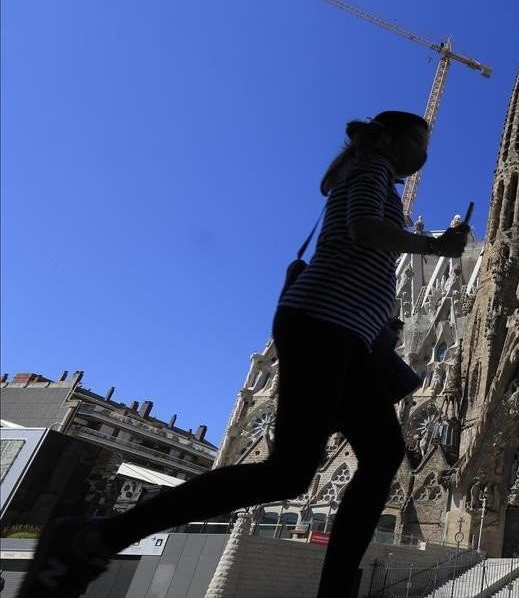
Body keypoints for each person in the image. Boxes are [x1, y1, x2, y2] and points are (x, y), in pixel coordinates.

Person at [20, 110, 470, 598]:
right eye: (421, 140)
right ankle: (94, 536)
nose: (425, 151)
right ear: (394, 140)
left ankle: (335, 586)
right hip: (323, 325)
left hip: (344, 334)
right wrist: (433, 245)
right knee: (293, 473)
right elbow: (363, 230)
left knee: (378, 456)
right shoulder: (371, 168)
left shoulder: (376, 175)